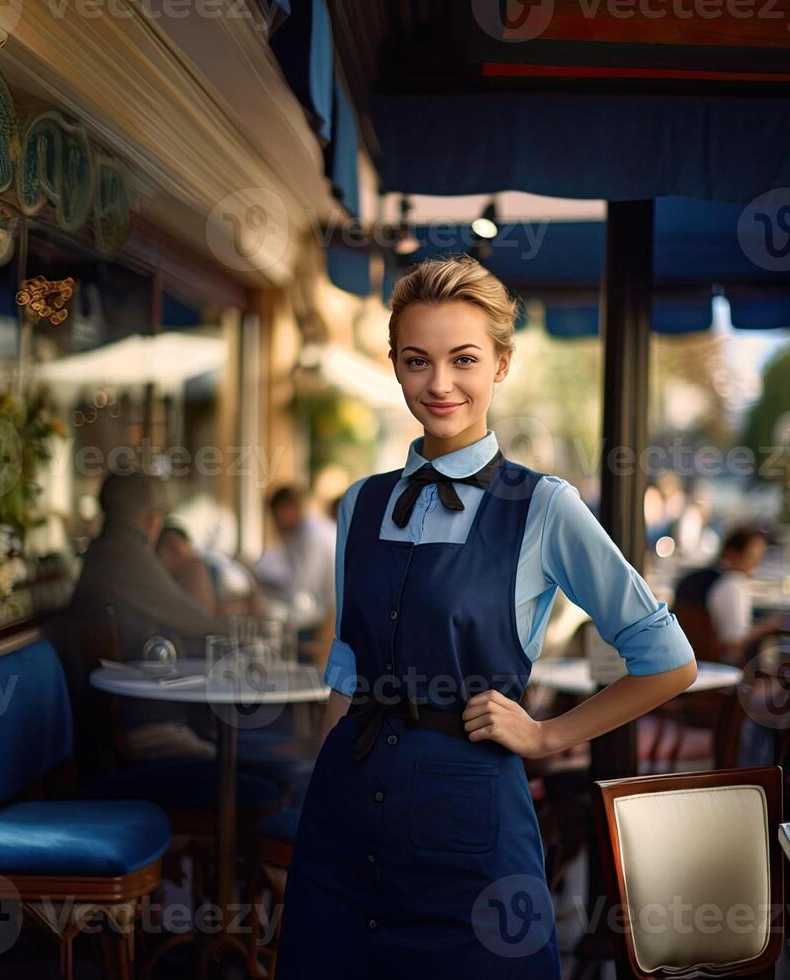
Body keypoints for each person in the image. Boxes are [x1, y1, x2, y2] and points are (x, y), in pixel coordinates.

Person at [277, 256, 697, 978]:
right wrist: (323, 795)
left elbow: (668, 660)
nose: (439, 384)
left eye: (463, 359)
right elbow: (345, 672)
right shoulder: (359, 504)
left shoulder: (543, 506)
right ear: (394, 365)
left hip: (470, 834)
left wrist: (547, 733)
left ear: (501, 363)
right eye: (417, 361)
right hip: (344, 826)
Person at [69, 472, 223, 660]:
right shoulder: (127, 553)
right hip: (125, 678)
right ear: (152, 521)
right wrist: (240, 633)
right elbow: (195, 621)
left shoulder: (104, 548)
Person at [673, 526, 783, 665]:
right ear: (732, 553)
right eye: (751, 555)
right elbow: (734, 644)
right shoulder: (733, 584)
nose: (756, 563)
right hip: (720, 667)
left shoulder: (692, 579)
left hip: (688, 663)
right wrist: (766, 627)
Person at [253, 483, 338, 664]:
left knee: (271, 622)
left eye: (277, 515)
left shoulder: (313, 535)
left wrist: (268, 599)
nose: (275, 521)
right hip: (324, 610)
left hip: (334, 616)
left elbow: (303, 590)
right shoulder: (298, 533)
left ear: (287, 509)